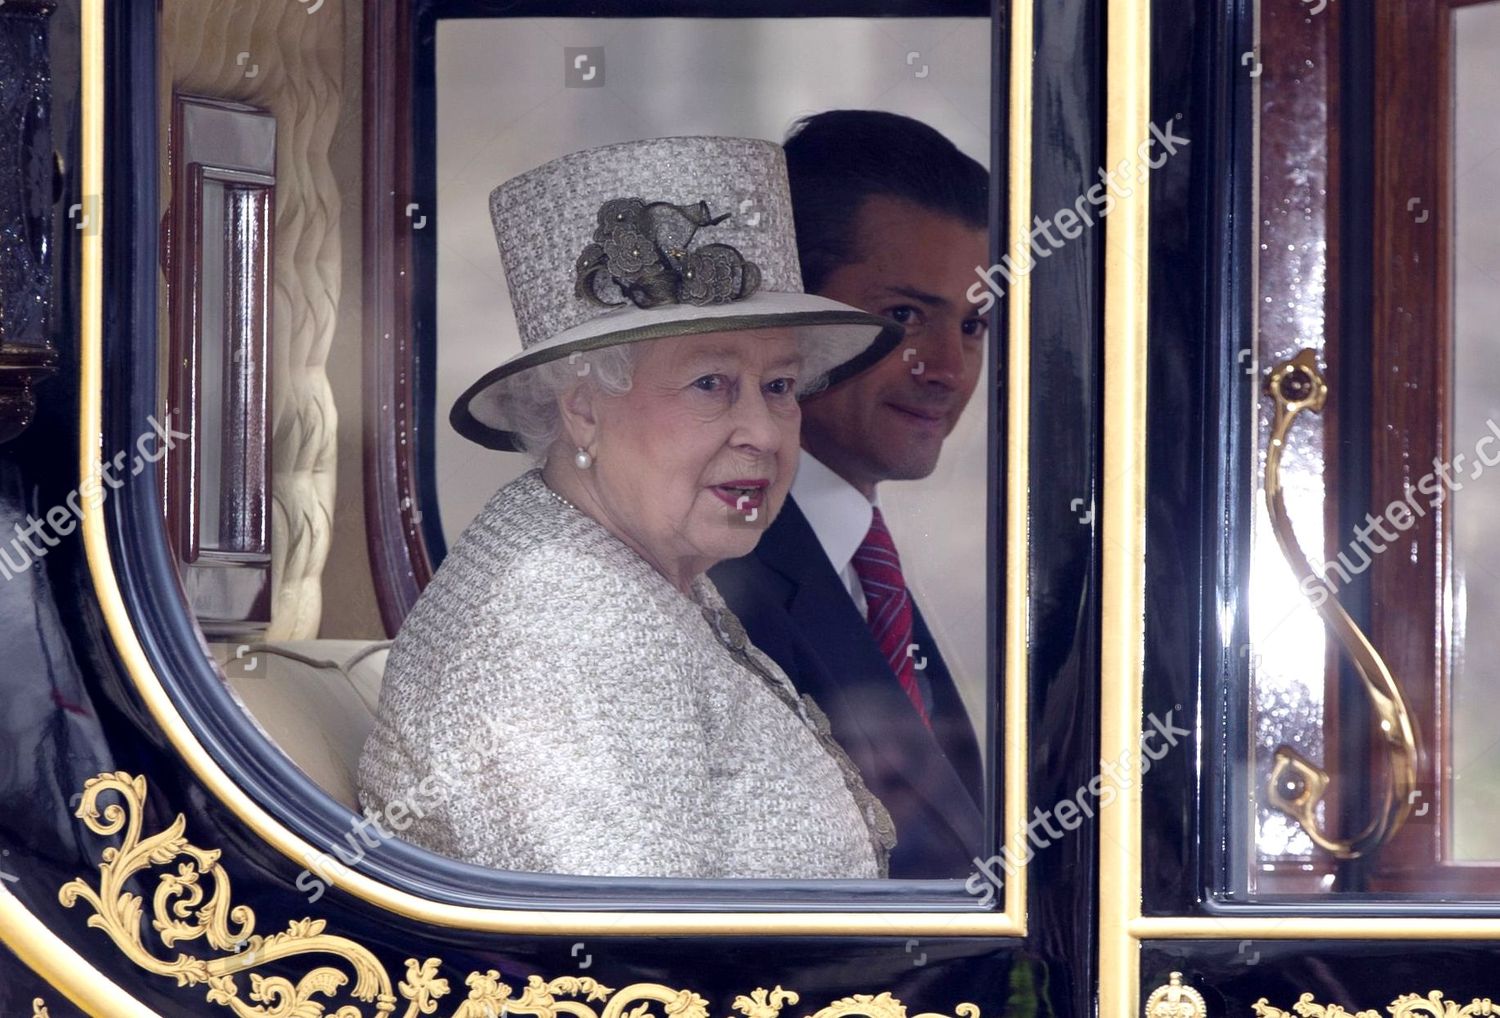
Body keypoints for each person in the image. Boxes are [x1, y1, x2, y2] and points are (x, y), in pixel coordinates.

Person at [358, 136, 904, 879]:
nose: (765, 433)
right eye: (712, 383)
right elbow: (634, 970)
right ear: (583, 408)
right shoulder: (562, 623)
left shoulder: (629, 569)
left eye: (778, 386)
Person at [710, 111, 989, 879]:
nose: (949, 368)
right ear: (791, 315)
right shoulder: (714, 570)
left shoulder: (866, 570)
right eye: (905, 317)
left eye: (973, 326)